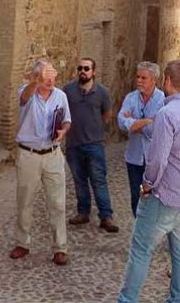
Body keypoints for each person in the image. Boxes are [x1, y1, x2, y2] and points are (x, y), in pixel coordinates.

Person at [117, 60, 180, 303]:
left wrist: (146, 185)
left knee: (141, 250)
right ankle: (178, 299)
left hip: (164, 196)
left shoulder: (167, 114)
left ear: (167, 82)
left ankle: (127, 300)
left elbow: (157, 159)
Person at [9, 59, 71, 266]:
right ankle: (22, 242)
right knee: (25, 200)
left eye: (52, 77)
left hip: (53, 154)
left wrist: (63, 130)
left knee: (57, 203)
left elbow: (66, 119)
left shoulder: (60, 96)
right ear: (37, 78)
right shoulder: (27, 93)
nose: (50, 81)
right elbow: (24, 97)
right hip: (29, 155)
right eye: (46, 78)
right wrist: (36, 81)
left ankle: (60, 247)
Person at [62, 57, 118, 233]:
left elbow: (107, 114)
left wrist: (95, 130)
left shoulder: (102, 92)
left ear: (94, 71)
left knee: (98, 180)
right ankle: (83, 212)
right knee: (79, 181)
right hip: (73, 144)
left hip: (94, 144)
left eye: (86, 68)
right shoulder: (68, 90)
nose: (83, 71)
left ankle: (106, 216)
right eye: (80, 68)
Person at [117, 61, 166, 217]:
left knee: (153, 197)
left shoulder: (163, 100)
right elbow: (121, 122)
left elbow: (156, 129)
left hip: (154, 158)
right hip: (134, 158)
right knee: (135, 196)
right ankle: (139, 229)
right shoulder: (131, 98)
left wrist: (134, 123)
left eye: (143, 78)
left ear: (154, 80)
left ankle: (151, 230)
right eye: (137, 77)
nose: (139, 80)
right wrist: (146, 121)